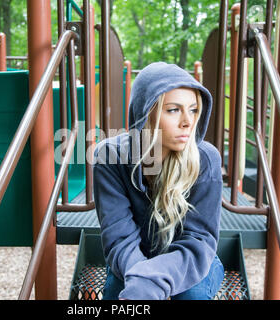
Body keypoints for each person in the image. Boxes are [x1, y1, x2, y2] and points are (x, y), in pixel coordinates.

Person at [92, 62, 224, 300]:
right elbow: (119, 237)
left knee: (191, 296)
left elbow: (199, 239)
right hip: (131, 260)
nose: (188, 122)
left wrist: (153, 280)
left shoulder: (206, 159)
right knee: (118, 295)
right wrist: (142, 281)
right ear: (146, 113)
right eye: (174, 110)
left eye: (193, 110)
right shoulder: (109, 156)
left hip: (190, 261)